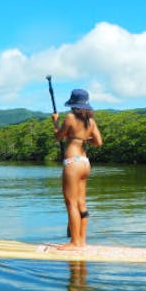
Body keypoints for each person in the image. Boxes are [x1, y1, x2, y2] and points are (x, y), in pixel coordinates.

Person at [52, 89, 103, 249]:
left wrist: (55, 122)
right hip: (85, 162)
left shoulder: (69, 117)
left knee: (71, 203)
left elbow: (58, 137)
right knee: (81, 202)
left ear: (73, 104)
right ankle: (81, 241)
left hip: (72, 163)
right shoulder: (91, 122)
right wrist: (82, 137)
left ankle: (74, 242)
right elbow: (98, 142)